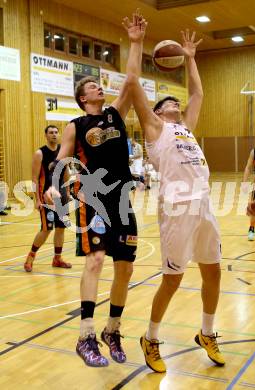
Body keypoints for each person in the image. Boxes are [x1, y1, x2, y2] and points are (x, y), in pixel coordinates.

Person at [44, 10, 146, 368]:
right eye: (91, 86)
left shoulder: (116, 114)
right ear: (82, 97)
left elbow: (131, 80)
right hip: (93, 200)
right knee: (96, 260)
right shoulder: (75, 125)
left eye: (99, 84)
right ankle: (86, 334)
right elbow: (60, 161)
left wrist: (135, 42)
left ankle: (112, 330)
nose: (98, 87)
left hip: (122, 201)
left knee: (125, 268)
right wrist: (55, 188)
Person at [127, 29, 224, 372]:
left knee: (213, 273)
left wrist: (190, 56)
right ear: (156, 112)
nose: (177, 105)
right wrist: (137, 43)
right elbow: (134, 83)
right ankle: (150, 338)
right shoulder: (155, 130)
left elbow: (198, 93)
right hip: (177, 210)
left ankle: (208, 332)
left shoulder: (187, 128)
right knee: (173, 279)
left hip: (204, 207)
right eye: (169, 103)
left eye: (176, 104)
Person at [24, 125, 72, 272]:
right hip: (47, 198)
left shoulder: (62, 152)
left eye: (56, 132)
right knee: (46, 229)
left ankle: (57, 259)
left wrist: (68, 193)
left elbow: (66, 173)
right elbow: (34, 178)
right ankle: (30, 257)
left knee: (61, 228)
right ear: (45, 135)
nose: (54, 135)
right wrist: (37, 199)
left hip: (61, 196)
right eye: (51, 132)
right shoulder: (40, 153)